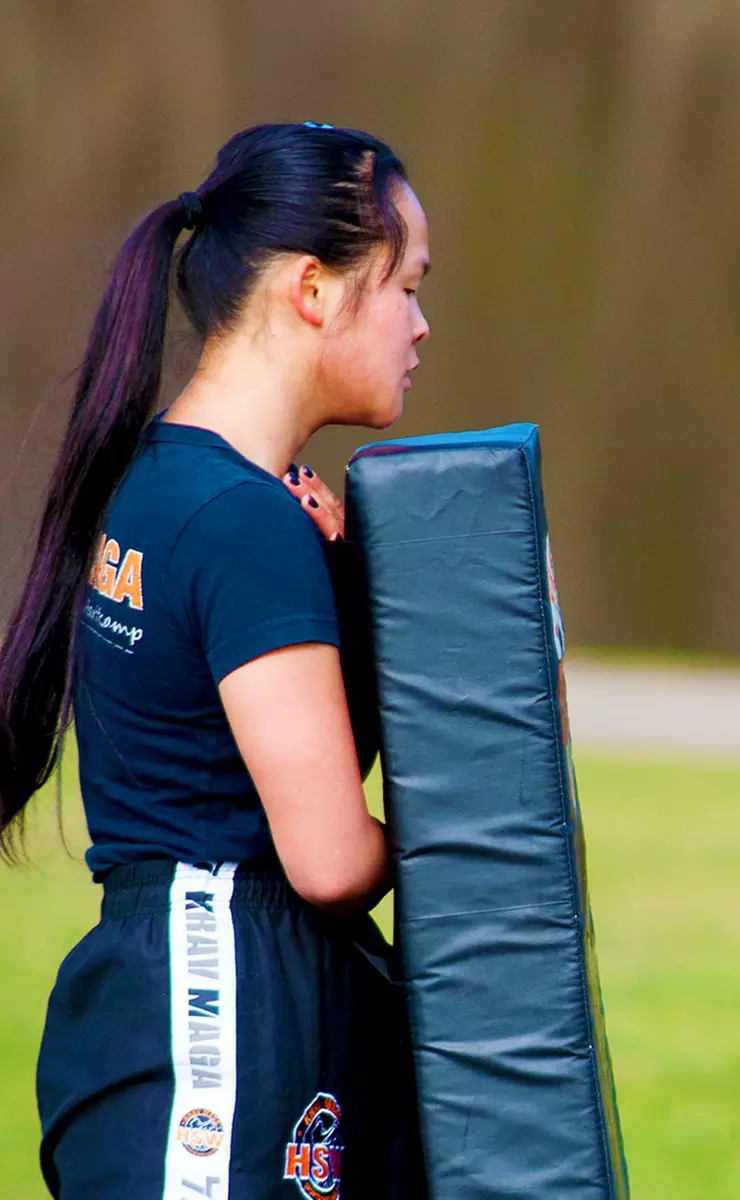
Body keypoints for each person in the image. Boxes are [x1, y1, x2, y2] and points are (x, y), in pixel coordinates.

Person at [0, 122, 431, 1197]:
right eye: (407, 286)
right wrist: (479, 833)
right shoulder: (244, 521)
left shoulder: (165, 481)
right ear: (315, 290)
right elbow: (328, 861)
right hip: (222, 1016)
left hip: (163, 996)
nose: (421, 325)